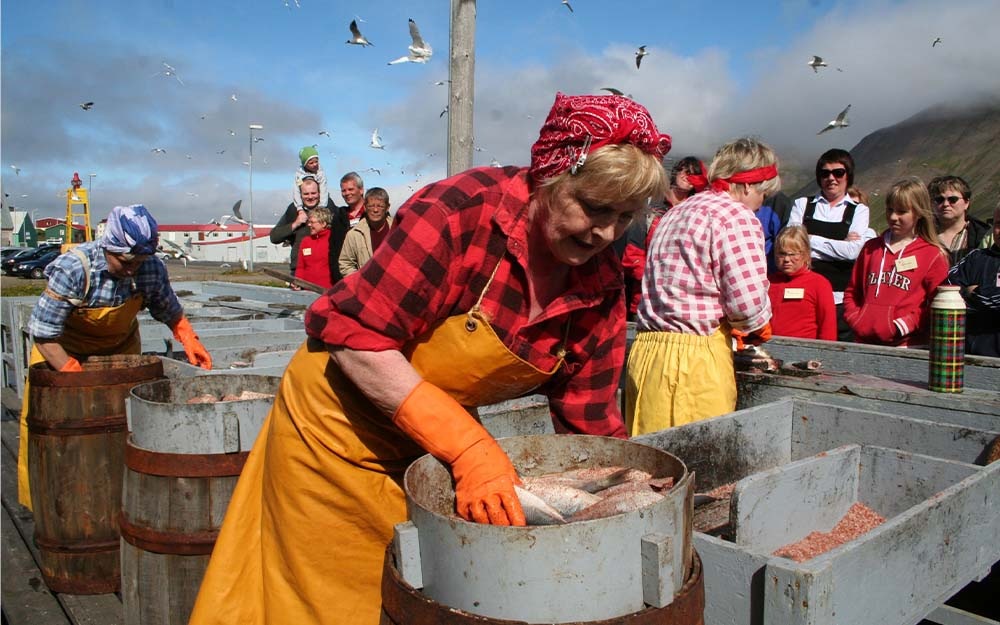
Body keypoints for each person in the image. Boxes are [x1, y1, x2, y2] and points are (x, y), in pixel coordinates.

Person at [188, 92, 671, 625]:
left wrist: (627, 495)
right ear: (550, 179)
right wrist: (469, 447)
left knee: (420, 596)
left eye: (625, 217)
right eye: (595, 208)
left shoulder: (599, 282)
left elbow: (589, 415)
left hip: (431, 445)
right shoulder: (461, 213)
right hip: (335, 429)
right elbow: (353, 335)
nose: (606, 233)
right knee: (327, 602)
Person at [18, 205, 212, 510]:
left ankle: (123, 503)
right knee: (65, 440)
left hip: (119, 351)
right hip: (62, 352)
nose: (132, 269)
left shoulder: (150, 268)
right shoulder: (74, 268)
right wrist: (72, 375)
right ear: (109, 246)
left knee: (122, 432)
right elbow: (43, 333)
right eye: (125, 262)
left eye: (139, 262)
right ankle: (56, 510)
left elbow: (167, 307)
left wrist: (187, 336)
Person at [626, 137, 777, 436]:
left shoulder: (676, 212)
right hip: (692, 366)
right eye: (764, 193)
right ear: (748, 185)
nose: (762, 202)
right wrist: (757, 324)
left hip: (645, 354)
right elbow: (746, 307)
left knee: (646, 455)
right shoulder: (736, 217)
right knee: (694, 458)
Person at [843, 177, 950, 347]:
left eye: (902, 211)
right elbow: (852, 291)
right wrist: (856, 318)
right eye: (890, 210)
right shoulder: (871, 248)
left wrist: (905, 325)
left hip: (906, 345)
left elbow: (938, 303)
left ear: (918, 213)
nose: (893, 217)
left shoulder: (933, 254)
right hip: (864, 342)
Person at [787, 149, 875, 341]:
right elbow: (791, 245)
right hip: (804, 295)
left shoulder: (859, 210)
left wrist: (809, 238)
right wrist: (840, 244)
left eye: (838, 173)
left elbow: (853, 252)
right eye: (825, 173)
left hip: (840, 300)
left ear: (848, 175)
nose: (831, 178)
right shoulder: (802, 204)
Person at [621, 156, 705, 318]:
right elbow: (632, 254)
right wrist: (657, 280)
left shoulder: (696, 212)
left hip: (680, 302)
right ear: (676, 172)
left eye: (694, 174)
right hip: (645, 299)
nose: (686, 176)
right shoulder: (651, 206)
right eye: (684, 171)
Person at [270, 177, 350, 283]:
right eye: (306, 194)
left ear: (320, 193)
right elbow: (274, 237)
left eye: (313, 193)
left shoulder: (329, 207)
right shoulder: (293, 209)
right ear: (300, 195)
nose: (310, 197)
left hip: (326, 270)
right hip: (298, 270)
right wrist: (296, 223)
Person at [947, 202, 1000, 357]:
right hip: (968, 356)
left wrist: (974, 292)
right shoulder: (975, 258)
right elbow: (948, 291)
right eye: (998, 224)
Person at [768, 226, 837, 341]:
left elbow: (828, 328)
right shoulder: (769, 282)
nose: (786, 259)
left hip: (803, 348)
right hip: (768, 345)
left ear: (805, 254)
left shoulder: (819, 284)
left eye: (793, 254)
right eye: (782, 254)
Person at [928, 175, 989, 266]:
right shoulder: (921, 233)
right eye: (939, 200)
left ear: (966, 203)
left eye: (953, 199)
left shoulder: (984, 236)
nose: (945, 204)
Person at [339, 187, 393, 277]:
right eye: (371, 206)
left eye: (380, 206)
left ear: (387, 207)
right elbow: (345, 263)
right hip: (367, 284)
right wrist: (359, 281)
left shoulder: (398, 230)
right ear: (365, 207)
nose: (375, 210)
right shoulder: (354, 234)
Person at [294, 206, 335, 289]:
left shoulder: (334, 240)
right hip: (307, 290)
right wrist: (297, 282)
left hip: (328, 290)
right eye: (309, 222)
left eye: (312, 222)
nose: (309, 225)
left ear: (323, 223)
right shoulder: (306, 241)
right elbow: (300, 267)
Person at [293, 146, 330, 210]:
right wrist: (299, 207)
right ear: (305, 164)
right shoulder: (299, 175)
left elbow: (323, 190)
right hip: (303, 205)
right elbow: (296, 190)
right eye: (311, 163)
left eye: (316, 161)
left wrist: (321, 206)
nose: (315, 164)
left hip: (320, 204)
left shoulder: (320, 174)